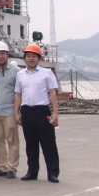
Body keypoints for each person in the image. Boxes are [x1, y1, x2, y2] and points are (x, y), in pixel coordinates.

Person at [15, 43, 60, 183]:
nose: (31, 58)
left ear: (39, 58)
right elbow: (18, 94)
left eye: (34, 56)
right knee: (31, 144)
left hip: (42, 111)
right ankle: (32, 172)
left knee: (48, 143)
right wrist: (17, 113)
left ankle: (53, 173)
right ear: (24, 58)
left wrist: (55, 113)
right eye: (28, 56)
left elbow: (53, 93)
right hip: (27, 111)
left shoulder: (47, 73)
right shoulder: (20, 74)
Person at [0, 41, 20, 179]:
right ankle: (3, 167)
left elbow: (19, 93)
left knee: (12, 141)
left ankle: (12, 168)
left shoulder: (16, 72)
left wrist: (18, 111)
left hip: (10, 111)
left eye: (2, 53)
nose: (0, 56)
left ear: (7, 54)